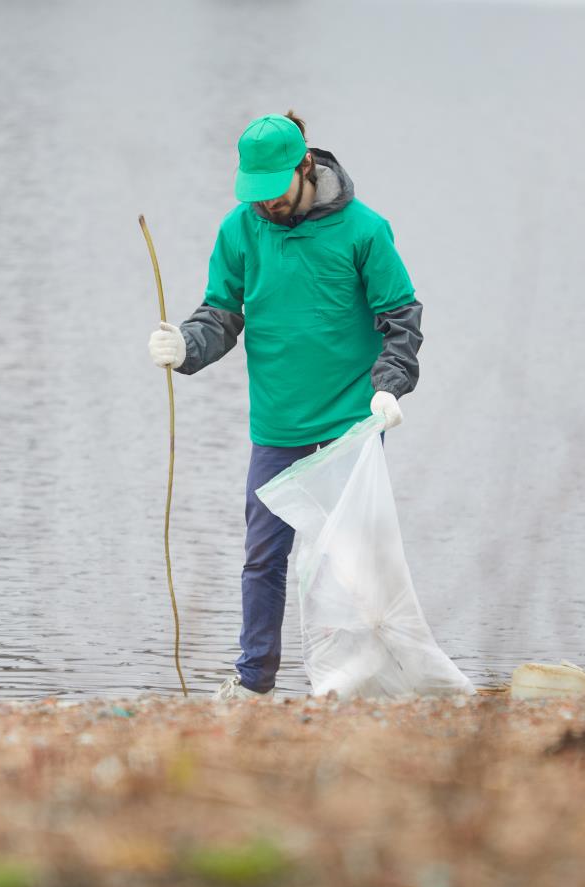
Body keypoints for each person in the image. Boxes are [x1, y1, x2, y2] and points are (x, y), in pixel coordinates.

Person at [147, 111, 423, 701]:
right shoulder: (240, 231)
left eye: (274, 192)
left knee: (352, 563)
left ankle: (364, 681)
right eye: (255, 194)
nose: (265, 205)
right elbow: (221, 314)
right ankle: (254, 683)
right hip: (276, 425)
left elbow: (400, 316)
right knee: (264, 558)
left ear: (305, 169)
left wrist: (389, 385)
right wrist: (186, 346)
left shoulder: (364, 231)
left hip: (352, 420)